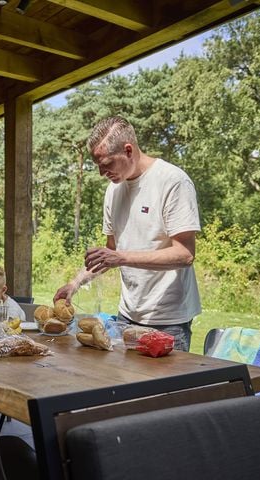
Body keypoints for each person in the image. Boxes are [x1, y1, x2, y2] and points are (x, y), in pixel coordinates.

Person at [54, 116, 201, 351]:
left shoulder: (173, 181)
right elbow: (110, 252)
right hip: (126, 316)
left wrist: (120, 258)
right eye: (98, 166)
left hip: (168, 322)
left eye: (108, 164)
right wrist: (75, 283)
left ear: (128, 150)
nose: (102, 172)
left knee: (163, 389)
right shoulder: (113, 191)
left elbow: (185, 255)